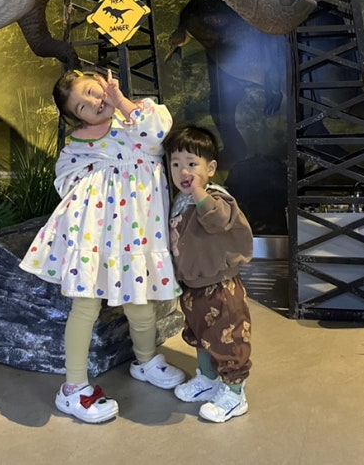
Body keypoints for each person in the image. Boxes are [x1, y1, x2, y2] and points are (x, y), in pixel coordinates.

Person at [19, 67, 185, 423]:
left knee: (141, 304)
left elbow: (157, 135)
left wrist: (122, 102)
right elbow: (66, 182)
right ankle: (73, 387)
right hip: (94, 239)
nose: (94, 102)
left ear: (105, 82)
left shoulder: (138, 116)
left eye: (93, 91)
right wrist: (101, 179)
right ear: (76, 118)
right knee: (85, 307)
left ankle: (145, 361)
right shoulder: (76, 146)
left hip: (138, 235)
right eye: (82, 106)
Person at [163, 123, 254, 423]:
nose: (183, 171)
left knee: (228, 339)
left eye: (192, 164)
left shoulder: (216, 197)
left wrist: (199, 191)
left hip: (221, 286)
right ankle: (208, 379)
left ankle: (234, 392)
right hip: (193, 286)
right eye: (176, 164)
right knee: (201, 336)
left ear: (211, 168)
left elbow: (217, 220)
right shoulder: (180, 200)